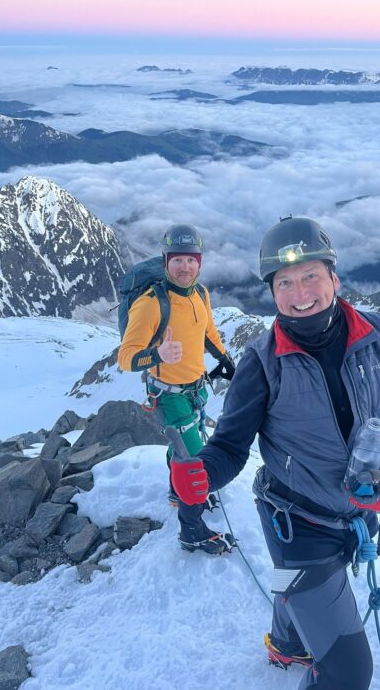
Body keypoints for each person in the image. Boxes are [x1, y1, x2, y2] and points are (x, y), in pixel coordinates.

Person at [170, 215, 380, 689]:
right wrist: (202, 475)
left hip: (357, 512)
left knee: (301, 591)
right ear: (271, 293)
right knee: (349, 674)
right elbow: (231, 446)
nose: (299, 294)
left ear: (334, 277)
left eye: (310, 275)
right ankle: (296, 640)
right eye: (285, 282)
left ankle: (287, 644)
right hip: (296, 523)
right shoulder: (261, 362)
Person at [118, 223, 236, 555]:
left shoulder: (201, 293)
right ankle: (192, 532)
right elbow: (125, 358)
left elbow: (208, 330)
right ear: (166, 261)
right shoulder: (151, 304)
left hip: (195, 390)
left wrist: (225, 359)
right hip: (168, 395)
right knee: (196, 462)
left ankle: (176, 492)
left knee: (182, 449)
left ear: (199, 262)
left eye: (191, 260)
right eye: (177, 260)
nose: (185, 267)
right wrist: (158, 354)